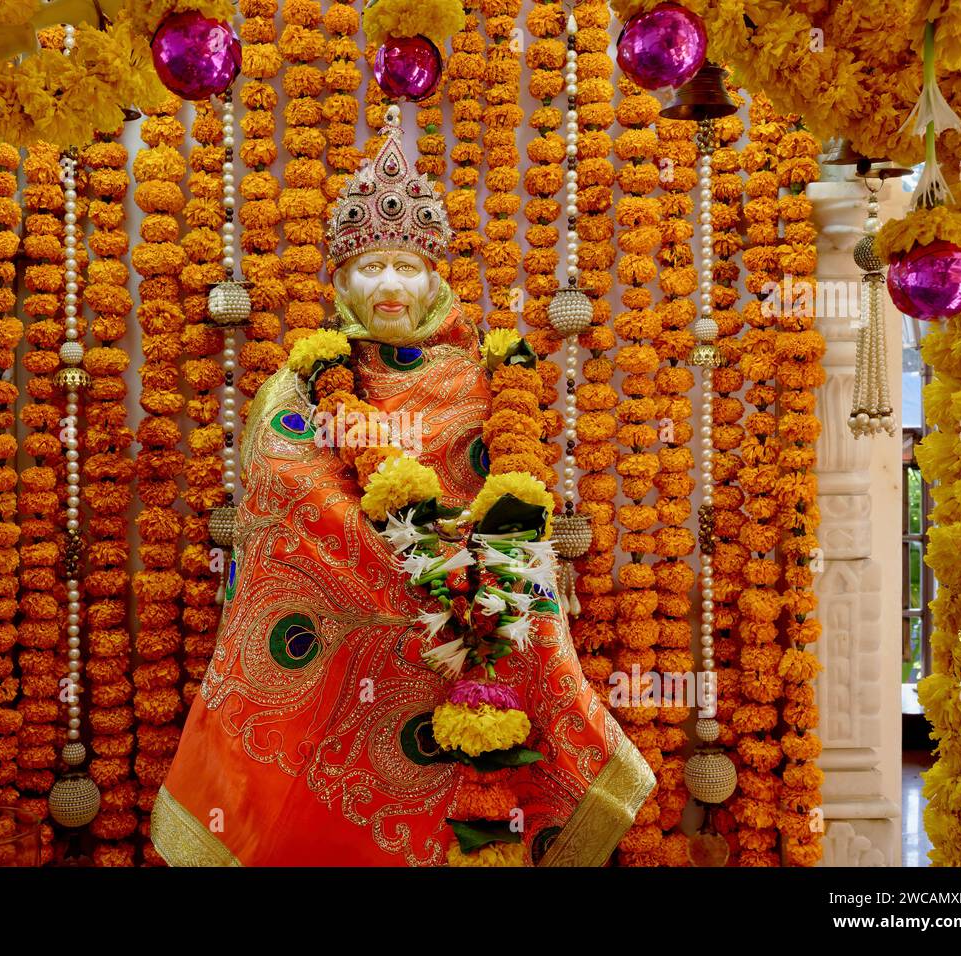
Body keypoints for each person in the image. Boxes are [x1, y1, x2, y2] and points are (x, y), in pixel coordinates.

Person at [149, 112, 653, 866]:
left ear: (436, 278)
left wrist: (480, 589)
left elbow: (511, 501)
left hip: (478, 644)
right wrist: (424, 575)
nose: (389, 284)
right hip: (350, 642)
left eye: (407, 267)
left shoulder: (487, 378)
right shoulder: (305, 382)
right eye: (372, 267)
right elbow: (290, 498)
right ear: (342, 280)